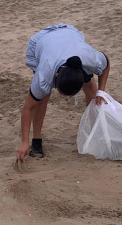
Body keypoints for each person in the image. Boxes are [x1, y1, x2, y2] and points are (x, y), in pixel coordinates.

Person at [17, 24, 110, 161]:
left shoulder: (90, 59)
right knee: (43, 95)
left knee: (90, 86)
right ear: (56, 77)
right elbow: (28, 108)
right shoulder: (45, 74)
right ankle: (36, 141)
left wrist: (101, 93)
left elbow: (106, 64)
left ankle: (97, 133)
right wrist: (24, 142)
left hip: (69, 34)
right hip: (42, 42)